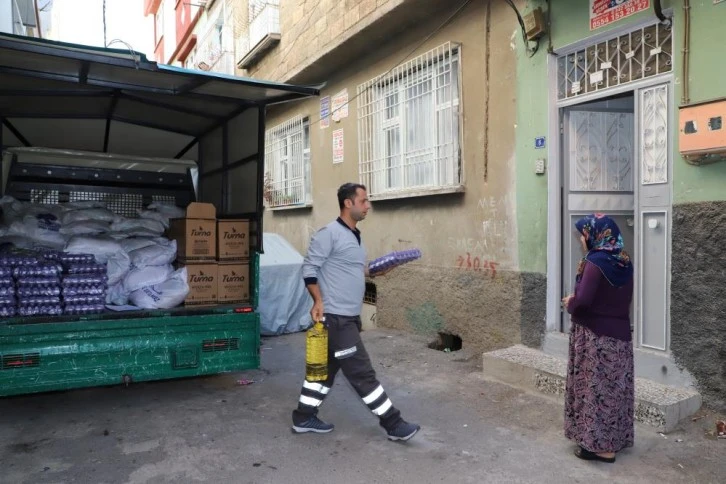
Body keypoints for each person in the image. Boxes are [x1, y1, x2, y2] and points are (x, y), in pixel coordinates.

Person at [291, 182, 421, 442]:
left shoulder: (355, 237)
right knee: (362, 373)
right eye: (363, 201)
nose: (368, 205)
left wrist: (381, 268)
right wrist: (318, 301)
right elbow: (309, 269)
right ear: (348, 203)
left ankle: (304, 416)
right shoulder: (329, 233)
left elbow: (359, 269)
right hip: (336, 318)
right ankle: (393, 423)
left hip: (347, 317)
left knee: (323, 373)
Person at [562, 213, 635, 464]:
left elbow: (583, 301)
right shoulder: (624, 261)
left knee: (595, 392)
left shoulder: (595, 261)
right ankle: (614, 440)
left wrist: (570, 302)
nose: (582, 239)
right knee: (613, 390)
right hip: (619, 337)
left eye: (583, 234)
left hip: (594, 337)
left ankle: (601, 448)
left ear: (594, 235)